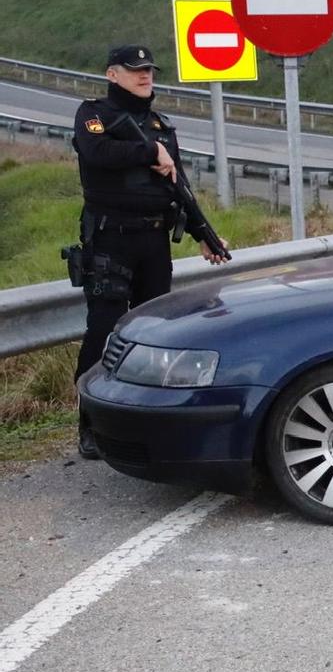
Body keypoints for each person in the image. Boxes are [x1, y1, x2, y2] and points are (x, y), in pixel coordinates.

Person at [72, 43, 229, 459]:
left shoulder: (160, 123)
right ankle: (90, 425)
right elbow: (97, 153)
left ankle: (147, 423)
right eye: (135, 70)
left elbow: (178, 186)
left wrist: (204, 233)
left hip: (155, 241)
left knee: (160, 334)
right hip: (110, 240)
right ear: (112, 75)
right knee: (104, 329)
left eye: (149, 70)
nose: (145, 76)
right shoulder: (94, 114)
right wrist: (149, 151)